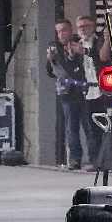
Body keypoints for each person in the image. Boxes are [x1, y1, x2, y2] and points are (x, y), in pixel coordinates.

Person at [46, 19, 90, 170]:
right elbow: (52, 72)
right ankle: (75, 159)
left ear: (71, 30)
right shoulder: (54, 47)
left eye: (64, 30)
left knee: (88, 125)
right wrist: (50, 60)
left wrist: (73, 55)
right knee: (71, 127)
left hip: (84, 90)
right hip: (66, 92)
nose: (61, 34)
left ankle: (93, 159)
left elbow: (81, 66)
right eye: (58, 31)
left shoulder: (79, 43)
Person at [75, 15, 112, 171]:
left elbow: (102, 58)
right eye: (80, 27)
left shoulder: (99, 42)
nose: (83, 29)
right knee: (90, 128)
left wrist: (84, 51)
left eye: (86, 26)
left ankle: (106, 161)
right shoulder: (75, 45)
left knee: (104, 126)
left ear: (92, 27)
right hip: (86, 91)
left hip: (101, 90)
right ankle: (94, 160)